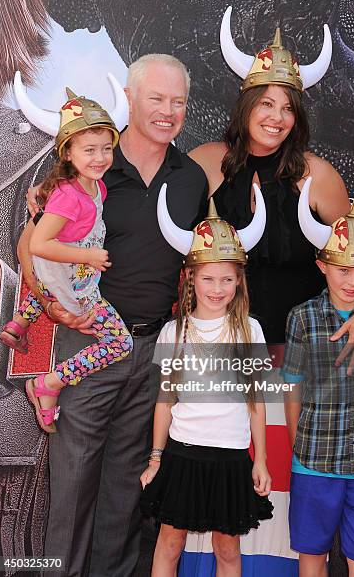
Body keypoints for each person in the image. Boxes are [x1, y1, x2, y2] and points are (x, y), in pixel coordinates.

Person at [17, 54, 208, 576]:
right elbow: (28, 245)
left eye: (179, 102)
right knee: (74, 481)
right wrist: (51, 303)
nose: (168, 111)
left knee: (125, 488)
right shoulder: (91, 166)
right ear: (129, 98)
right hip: (90, 343)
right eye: (156, 98)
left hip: (149, 348)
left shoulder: (190, 177)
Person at [189, 19, 354, 372]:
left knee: (291, 429)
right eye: (265, 103)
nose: (277, 117)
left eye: (288, 107)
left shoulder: (318, 175)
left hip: (304, 350)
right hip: (222, 348)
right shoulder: (206, 162)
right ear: (246, 106)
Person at [140, 183, 273, 576]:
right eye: (209, 279)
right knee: (169, 542)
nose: (218, 289)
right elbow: (165, 402)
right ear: (190, 279)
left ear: (238, 282)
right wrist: (155, 458)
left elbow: (256, 402)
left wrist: (260, 460)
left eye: (227, 280)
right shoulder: (173, 332)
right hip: (181, 452)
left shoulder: (250, 330)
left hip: (231, 455)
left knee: (228, 551)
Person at [282, 178, 354, 577]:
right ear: (323, 267)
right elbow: (293, 384)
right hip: (315, 460)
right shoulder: (303, 318)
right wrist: (300, 443)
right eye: (342, 271)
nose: (353, 282)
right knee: (312, 555)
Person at [1, 90, 133, 433]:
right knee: (120, 343)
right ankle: (51, 383)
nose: (100, 157)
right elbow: (41, 245)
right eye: (89, 150)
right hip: (75, 281)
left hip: (64, 275)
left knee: (48, 282)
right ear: (68, 153)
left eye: (106, 148)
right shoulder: (69, 197)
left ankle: (19, 323)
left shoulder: (93, 187)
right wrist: (86, 255)